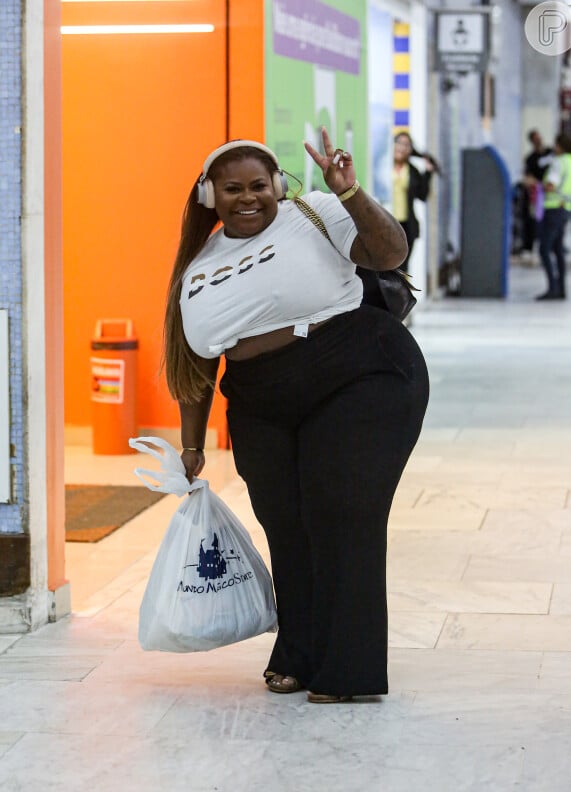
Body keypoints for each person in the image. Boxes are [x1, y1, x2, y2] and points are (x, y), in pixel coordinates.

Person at [163, 129, 429, 703]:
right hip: (261, 401)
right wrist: (190, 445)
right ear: (210, 195)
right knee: (285, 524)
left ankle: (348, 670)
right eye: (232, 188)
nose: (248, 197)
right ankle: (300, 653)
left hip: (358, 372)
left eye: (259, 184)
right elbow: (199, 364)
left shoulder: (319, 212)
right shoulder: (197, 265)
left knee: (340, 510)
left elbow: (389, 253)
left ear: (279, 186)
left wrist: (352, 190)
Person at [536, 133, 571, 300]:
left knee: (544, 249)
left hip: (554, 208)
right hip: (566, 208)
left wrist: (537, 184)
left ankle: (552, 288)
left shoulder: (558, 163)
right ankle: (561, 288)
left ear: (559, 146)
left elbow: (550, 185)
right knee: (558, 249)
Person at [391, 131, 434, 273]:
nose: (402, 148)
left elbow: (422, 195)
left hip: (405, 225)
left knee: (402, 267)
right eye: (399, 143)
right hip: (386, 222)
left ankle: (401, 294)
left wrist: (428, 174)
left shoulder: (412, 171)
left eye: (406, 145)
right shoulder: (383, 166)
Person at [521, 129, 553, 261]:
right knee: (532, 220)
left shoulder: (550, 153)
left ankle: (552, 246)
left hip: (552, 193)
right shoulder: (531, 159)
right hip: (538, 194)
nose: (538, 140)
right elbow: (528, 177)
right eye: (535, 139)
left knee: (550, 222)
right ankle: (529, 247)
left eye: (539, 137)